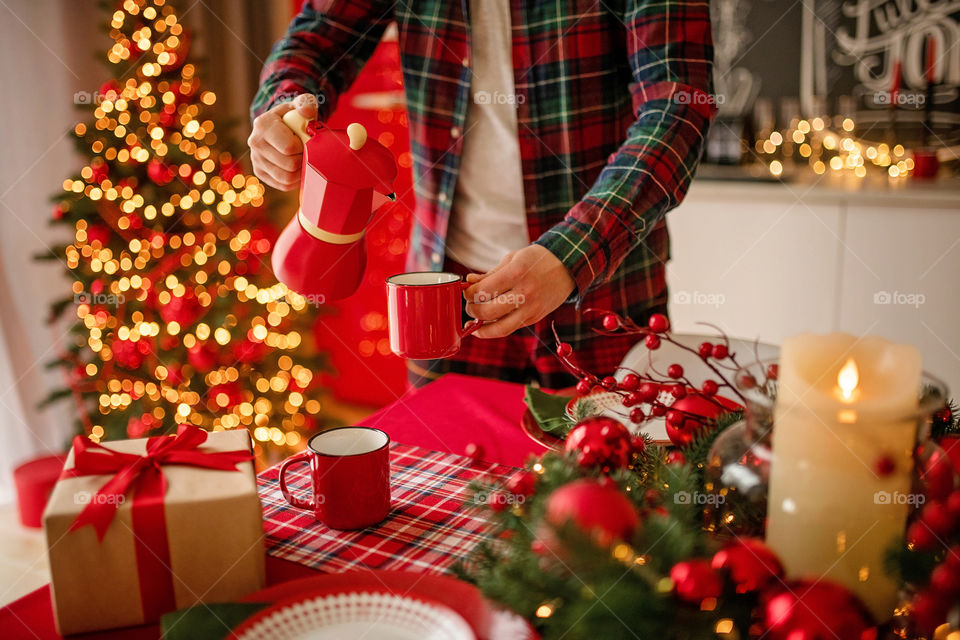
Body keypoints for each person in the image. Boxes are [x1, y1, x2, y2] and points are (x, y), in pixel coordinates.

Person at [249, 1, 715, 388]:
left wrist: (570, 255)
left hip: (605, 292)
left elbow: (678, 107)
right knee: (445, 484)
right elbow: (315, 39)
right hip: (444, 295)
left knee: (619, 489)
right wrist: (285, 106)